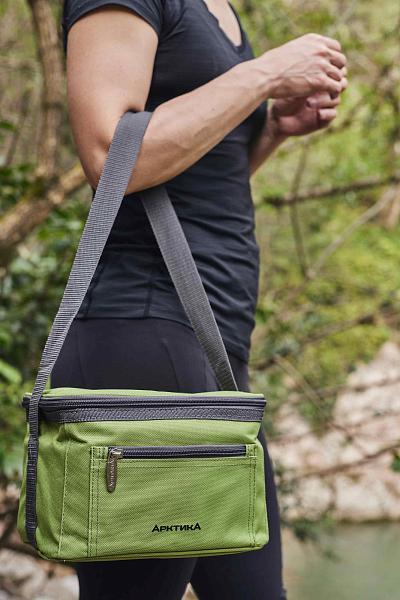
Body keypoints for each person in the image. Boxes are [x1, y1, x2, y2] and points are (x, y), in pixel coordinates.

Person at [55, 1, 348, 598]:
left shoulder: (220, 9)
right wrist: (265, 73)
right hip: (145, 333)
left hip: (215, 348)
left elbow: (196, 179)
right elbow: (111, 156)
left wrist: (270, 129)